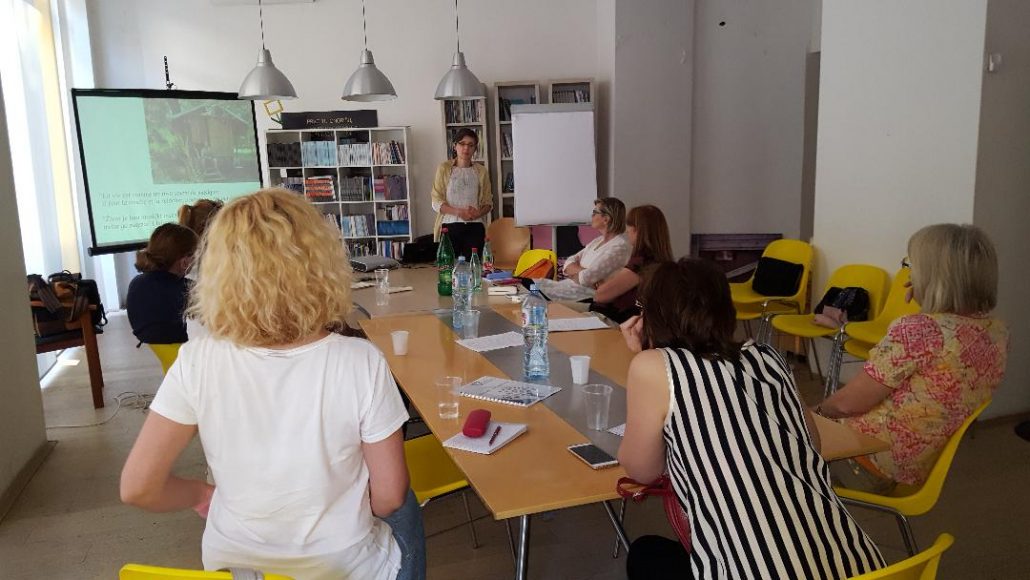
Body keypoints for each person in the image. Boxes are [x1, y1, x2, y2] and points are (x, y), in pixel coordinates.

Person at [120, 189, 424, 580]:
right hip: (341, 568)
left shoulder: (197, 359)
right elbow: (389, 497)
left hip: (241, 565)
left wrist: (201, 493)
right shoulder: (360, 360)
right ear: (320, 263)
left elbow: (137, 487)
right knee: (405, 504)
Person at [618, 258, 884, 580]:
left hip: (758, 571)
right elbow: (811, 443)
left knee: (645, 554)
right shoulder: (769, 357)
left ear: (652, 315)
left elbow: (641, 471)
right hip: (861, 566)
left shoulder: (652, 366)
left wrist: (644, 354)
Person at [816, 223, 1008, 493]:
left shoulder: (920, 330)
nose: (907, 273)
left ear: (932, 275)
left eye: (911, 265)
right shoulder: (996, 332)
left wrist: (813, 416)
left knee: (771, 429)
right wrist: (928, 301)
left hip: (865, 462)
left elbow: (846, 405)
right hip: (915, 469)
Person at [533, 198, 631, 302]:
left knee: (532, 293)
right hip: (570, 288)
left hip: (584, 296)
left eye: (595, 213)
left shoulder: (620, 246)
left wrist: (578, 273)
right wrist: (585, 275)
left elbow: (586, 277)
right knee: (530, 285)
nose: (591, 216)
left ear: (606, 219)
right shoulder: (598, 240)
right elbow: (568, 263)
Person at [590, 204, 673, 322]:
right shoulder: (661, 261)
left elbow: (600, 296)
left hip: (614, 319)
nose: (627, 230)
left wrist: (605, 285)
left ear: (637, 230)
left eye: (629, 225)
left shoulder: (642, 262)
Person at [126, 223, 198, 345]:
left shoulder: (136, 283)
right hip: (186, 347)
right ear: (184, 262)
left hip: (157, 348)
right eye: (196, 254)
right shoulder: (189, 289)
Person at [431, 128, 492, 260]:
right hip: (449, 227)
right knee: (449, 267)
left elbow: (488, 203)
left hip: (475, 227)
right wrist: (459, 212)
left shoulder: (481, 171)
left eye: (471, 145)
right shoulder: (444, 168)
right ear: (455, 146)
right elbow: (436, 202)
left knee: (474, 267)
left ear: (475, 148)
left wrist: (477, 213)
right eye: (462, 144)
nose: (466, 148)